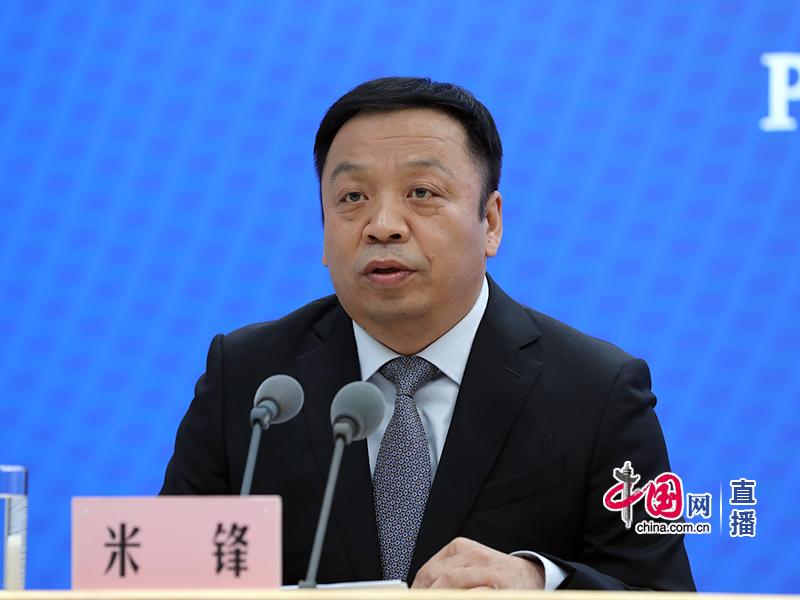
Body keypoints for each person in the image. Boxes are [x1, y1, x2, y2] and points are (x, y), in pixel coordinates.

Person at [161, 77, 695, 591]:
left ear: (491, 223)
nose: (382, 226)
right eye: (352, 197)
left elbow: (659, 591)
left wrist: (542, 582)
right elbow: (161, 577)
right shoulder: (253, 381)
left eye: (421, 192)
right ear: (323, 232)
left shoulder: (598, 391)